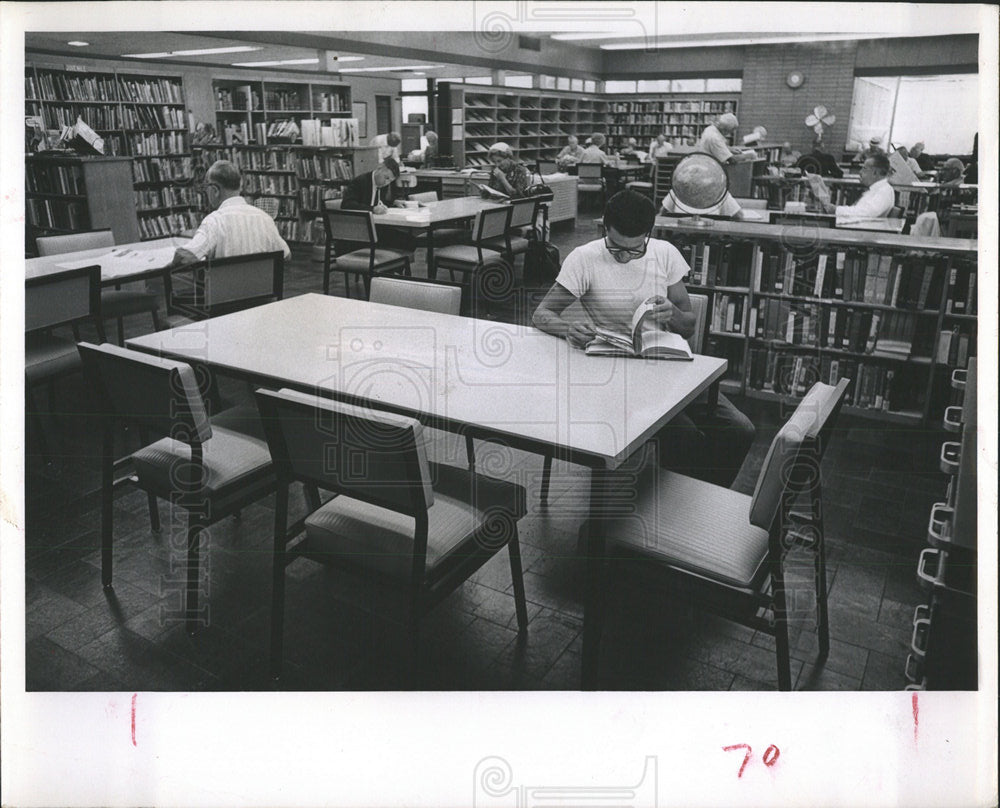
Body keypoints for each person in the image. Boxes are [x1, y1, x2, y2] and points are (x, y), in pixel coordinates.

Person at [531, 190, 755, 487]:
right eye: (615, 247)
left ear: (648, 235)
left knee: (739, 430)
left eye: (635, 249)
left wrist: (672, 313)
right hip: (613, 373)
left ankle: (703, 497)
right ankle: (677, 504)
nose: (624, 256)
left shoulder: (664, 253)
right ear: (604, 229)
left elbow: (688, 325)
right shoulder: (584, 258)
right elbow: (542, 314)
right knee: (683, 434)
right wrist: (568, 329)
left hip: (666, 367)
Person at [171, 159, 290, 266]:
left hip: (224, 290)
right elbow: (286, 255)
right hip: (265, 290)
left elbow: (185, 257)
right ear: (239, 186)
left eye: (206, 188)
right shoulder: (265, 218)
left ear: (215, 190)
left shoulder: (214, 221)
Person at [806, 153, 895, 218]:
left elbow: (866, 213)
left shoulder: (884, 191)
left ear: (875, 173)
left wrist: (836, 210)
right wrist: (835, 209)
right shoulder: (877, 189)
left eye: (864, 169)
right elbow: (860, 210)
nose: (860, 172)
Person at [341, 157, 406, 212]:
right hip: (359, 222)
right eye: (386, 178)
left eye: (390, 181)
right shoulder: (360, 181)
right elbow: (347, 204)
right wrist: (372, 209)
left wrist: (393, 203)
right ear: (379, 168)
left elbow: (378, 202)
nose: (386, 183)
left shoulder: (382, 184)